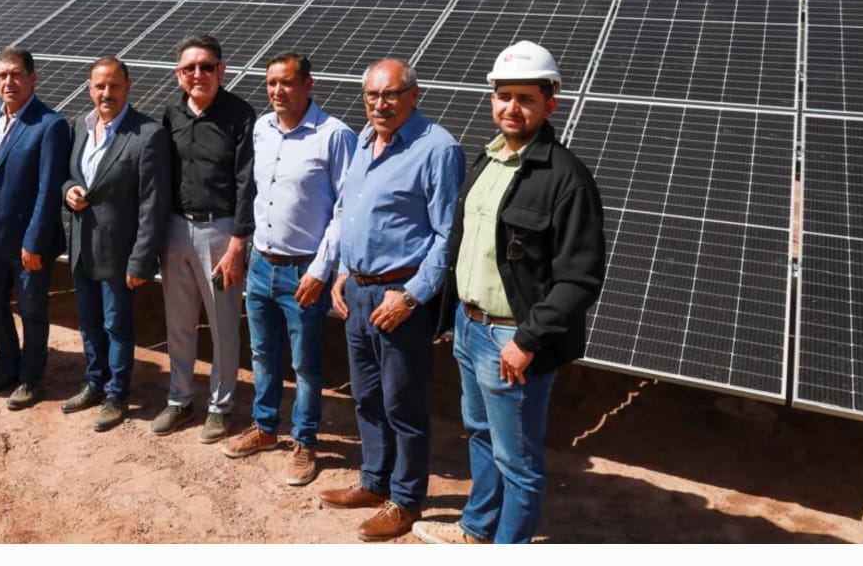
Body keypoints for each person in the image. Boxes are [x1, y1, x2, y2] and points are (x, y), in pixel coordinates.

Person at [414, 42, 605, 546]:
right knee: (480, 434)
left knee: (517, 459)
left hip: (512, 341)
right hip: (470, 329)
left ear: (550, 104)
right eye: (502, 96)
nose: (511, 107)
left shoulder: (566, 178)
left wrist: (528, 340)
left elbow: (580, 278)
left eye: (524, 97)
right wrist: (452, 318)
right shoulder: (487, 162)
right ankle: (477, 528)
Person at [321, 58, 465, 542]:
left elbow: (447, 236)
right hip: (357, 292)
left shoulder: (436, 149)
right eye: (371, 96)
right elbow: (351, 212)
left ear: (413, 95)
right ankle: (373, 481)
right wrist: (342, 271)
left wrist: (411, 296)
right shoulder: (364, 139)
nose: (379, 105)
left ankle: (405, 500)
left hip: (398, 296)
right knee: (365, 397)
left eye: (390, 95)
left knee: (403, 402)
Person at [222, 52, 355, 486]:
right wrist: (243, 248)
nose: (278, 91)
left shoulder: (335, 136)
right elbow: (255, 194)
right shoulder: (262, 129)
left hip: (304, 272)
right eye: (271, 83)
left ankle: (305, 440)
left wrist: (321, 269)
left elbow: (344, 208)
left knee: (305, 364)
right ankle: (264, 428)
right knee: (261, 353)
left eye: (287, 83)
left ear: (308, 85)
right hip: (262, 262)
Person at [152, 33, 256, 442]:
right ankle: (179, 399)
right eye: (190, 68)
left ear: (222, 70)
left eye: (207, 66)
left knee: (223, 323)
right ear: (179, 75)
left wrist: (237, 243)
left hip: (220, 231)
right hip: (175, 229)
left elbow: (248, 183)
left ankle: (220, 405)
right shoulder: (170, 115)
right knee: (177, 322)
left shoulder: (239, 115)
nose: (199, 74)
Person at [61, 57, 170, 431]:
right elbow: (71, 175)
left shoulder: (147, 134)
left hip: (119, 253)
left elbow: (152, 205)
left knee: (116, 325)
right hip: (81, 247)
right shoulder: (80, 125)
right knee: (88, 323)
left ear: (128, 87)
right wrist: (68, 191)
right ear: (90, 88)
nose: (106, 93)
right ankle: (94, 382)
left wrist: (141, 260)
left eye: (114, 86)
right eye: (99, 86)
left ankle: (116, 394)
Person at [0, 47, 70, 410]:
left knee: (31, 310)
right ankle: (6, 365)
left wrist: (32, 241)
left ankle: (31, 378)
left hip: (28, 243)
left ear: (33, 78)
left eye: (16, 75)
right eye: (2, 75)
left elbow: (48, 191)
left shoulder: (49, 124)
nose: (8, 82)